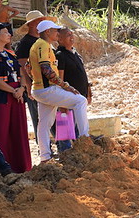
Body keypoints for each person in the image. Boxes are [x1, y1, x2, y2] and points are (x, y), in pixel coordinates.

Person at [29, 20, 92, 163]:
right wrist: (65, 86)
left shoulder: (39, 46)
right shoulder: (43, 46)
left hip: (40, 89)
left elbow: (28, 66)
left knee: (44, 123)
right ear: (47, 32)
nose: (58, 33)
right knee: (80, 100)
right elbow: (46, 70)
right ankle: (84, 138)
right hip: (47, 89)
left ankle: (45, 156)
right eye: (55, 30)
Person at [0, 22, 31, 172]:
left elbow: (21, 73)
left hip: (18, 96)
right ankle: (1, 169)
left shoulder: (11, 54)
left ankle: (21, 166)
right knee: (1, 131)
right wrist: (13, 90)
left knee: (19, 130)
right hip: (2, 96)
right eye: (5, 32)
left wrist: (22, 88)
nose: (9, 34)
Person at [15, 10, 54, 140]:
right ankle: (42, 146)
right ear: (32, 24)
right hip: (36, 85)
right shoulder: (25, 43)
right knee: (38, 117)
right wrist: (28, 85)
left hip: (47, 84)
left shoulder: (43, 41)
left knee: (49, 115)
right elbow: (22, 65)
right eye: (39, 21)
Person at [55, 28, 92, 152]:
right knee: (65, 123)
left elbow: (83, 74)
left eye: (72, 34)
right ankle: (65, 151)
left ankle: (80, 147)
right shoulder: (60, 55)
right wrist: (62, 101)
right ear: (59, 39)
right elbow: (60, 78)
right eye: (68, 35)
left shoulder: (75, 53)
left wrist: (88, 92)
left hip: (80, 95)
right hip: (68, 96)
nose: (72, 37)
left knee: (76, 124)